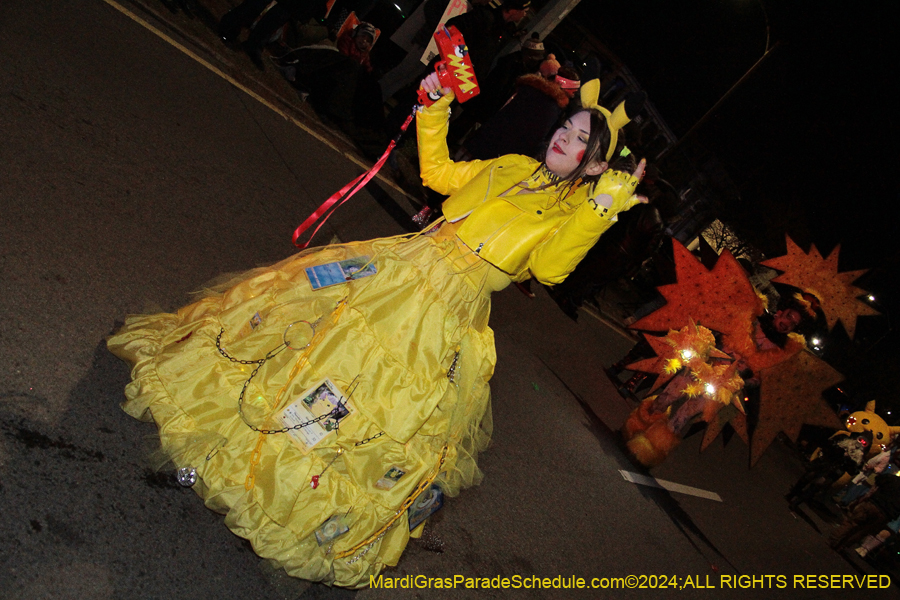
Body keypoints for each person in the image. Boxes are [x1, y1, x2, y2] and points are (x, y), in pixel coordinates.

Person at [107, 74, 646, 587]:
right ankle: (242, 438)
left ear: (596, 163)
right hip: (404, 266)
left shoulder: (576, 214)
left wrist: (601, 210)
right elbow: (438, 175)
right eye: (566, 127)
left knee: (368, 397)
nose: (563, 137)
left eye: (580, 139)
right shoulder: (510, 165)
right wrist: (434, 108)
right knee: (315, 342)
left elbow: (551, 268)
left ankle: (286, 488)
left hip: (443, 314)